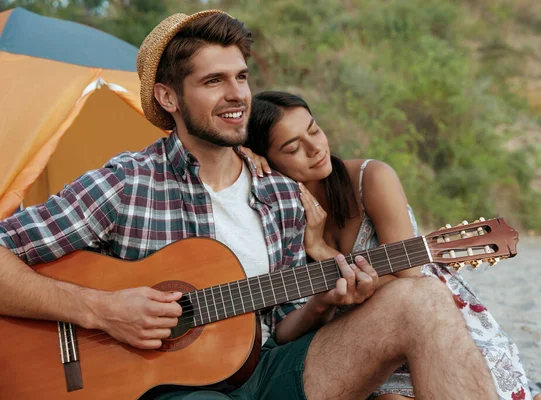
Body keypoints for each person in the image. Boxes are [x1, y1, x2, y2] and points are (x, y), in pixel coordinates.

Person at [0, 10, 507, 400]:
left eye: (240, 77)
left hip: (267, 371)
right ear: (169, 98)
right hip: (174, 389)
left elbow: (282, 328)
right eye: (213, 81)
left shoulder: (282, 196)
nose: (236, 93)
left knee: (424, 301)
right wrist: (102, 309)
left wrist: (321, 303)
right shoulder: (127, 183)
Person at [242, 91, 532, 399]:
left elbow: (410, 285)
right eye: (294, 147)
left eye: (314, 130)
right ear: (269, 162)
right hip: (359, 344)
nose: (315, 148)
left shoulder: (372, 179)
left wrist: (324, 253)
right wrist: (241, 154)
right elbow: (285, 326)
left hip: (431, 324)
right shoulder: (279, 213)